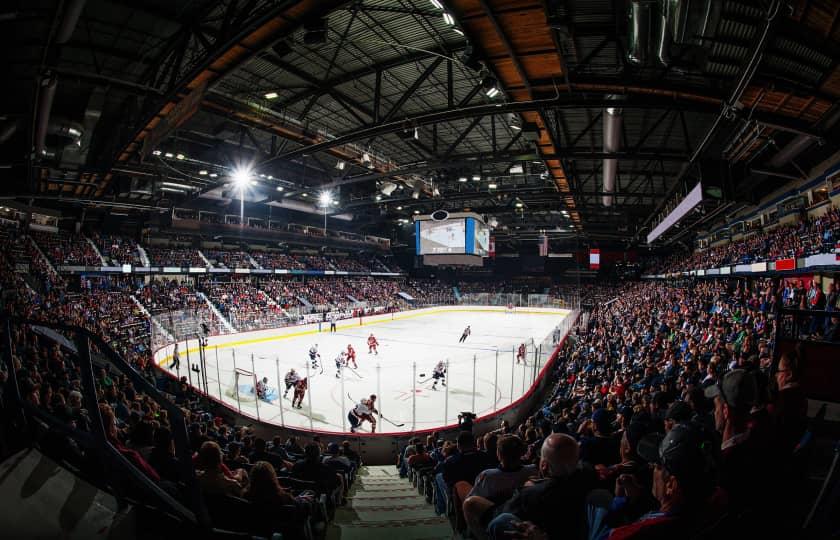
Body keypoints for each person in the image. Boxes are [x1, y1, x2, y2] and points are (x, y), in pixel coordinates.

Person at [592, 424, 717, 540]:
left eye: (657, 466)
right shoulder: (713, 503)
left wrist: (619, 499)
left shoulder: (644, 531)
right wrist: (639, 498)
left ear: (671, 485)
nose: (652, 469)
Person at [485, 434, 596, 540]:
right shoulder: (590, 475)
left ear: (544, 466)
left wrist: (529, 488)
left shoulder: (530, 494)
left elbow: (496, 513)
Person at [463, 435, 538, 538]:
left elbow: (472, 499)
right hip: (524, 518)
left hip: (498, 518)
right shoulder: (533, 470)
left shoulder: (487, 476)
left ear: (498, 454)